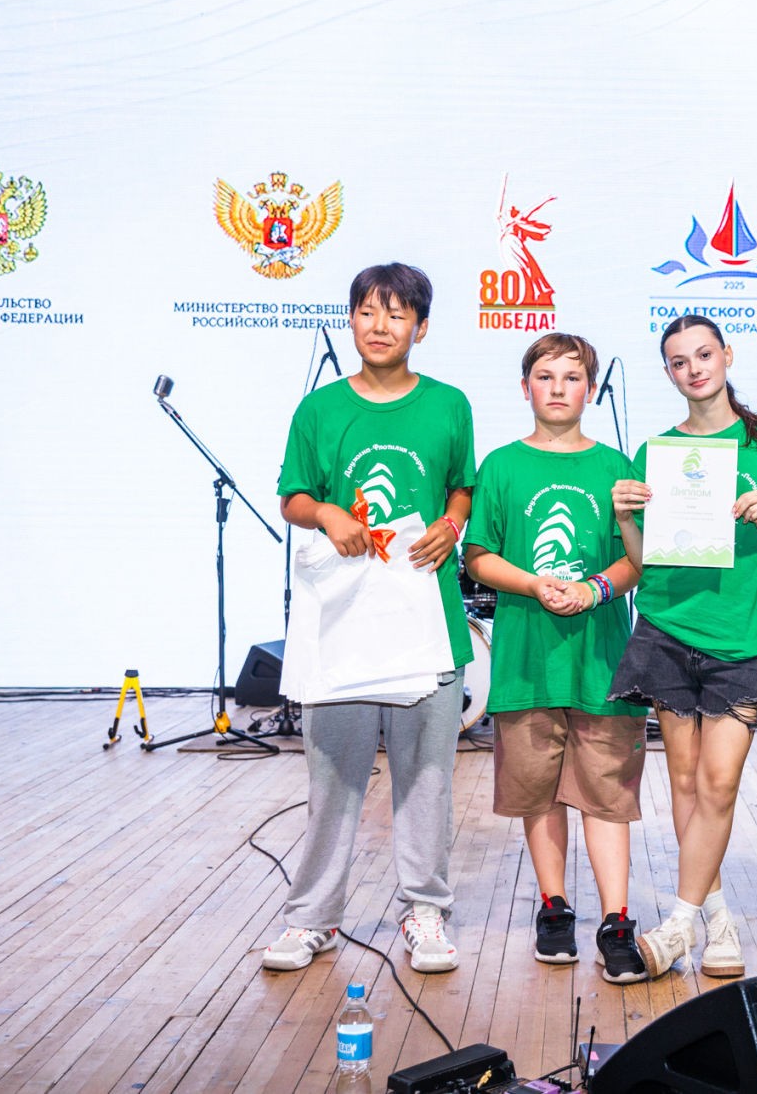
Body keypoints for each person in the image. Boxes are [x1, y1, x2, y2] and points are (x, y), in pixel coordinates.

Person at [262, 262, 476, 975]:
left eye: (397, 313)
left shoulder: (449, 405)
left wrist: (451, 522)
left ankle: (425, 908)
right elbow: (293, 497)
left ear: (421, 327)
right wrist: (326, 512)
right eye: (367, 311)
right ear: (351, 319)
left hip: (427, 619)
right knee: (332, 781)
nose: (380, 326)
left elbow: (462, 486)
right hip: (344, 623)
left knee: (427, 780)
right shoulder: (319, 409)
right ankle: (313, 917)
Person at [609, 313, 757, 980]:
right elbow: (643, 562)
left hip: (741, 638)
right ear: (668, 372)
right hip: (667, 629)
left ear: (727, 355)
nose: (693, 369)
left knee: (719, 782)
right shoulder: (656, 452)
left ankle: (677, 925)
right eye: (678, 361)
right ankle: (716, 921)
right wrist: (625, 518)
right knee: (687, 784)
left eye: (703, 355)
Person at [462, 333, 650, 984]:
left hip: (602, 663)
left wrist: (595, 588)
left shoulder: (617, 466)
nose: (559, 387)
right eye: (545, 376)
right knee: (538, 792)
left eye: (572, 377)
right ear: (525, 388)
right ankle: (554, 908)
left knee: (607, 795)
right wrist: (534, 584)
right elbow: (477, 555)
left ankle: (617, 921)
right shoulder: (501, 465)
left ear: (590, 389)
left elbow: (636, 560)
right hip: (526, 662)